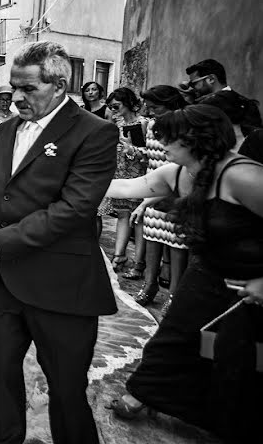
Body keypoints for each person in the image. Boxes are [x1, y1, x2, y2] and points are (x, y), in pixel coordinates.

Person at [0, 41, 119, 444]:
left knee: (66, 390)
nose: (17, 98)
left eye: (29, 89)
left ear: (60, 85)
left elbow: (72, 210)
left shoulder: (96, 133)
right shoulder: (8, 127)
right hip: (2, 283)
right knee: (1, 380)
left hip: (61, 284)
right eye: (13, 87)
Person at [104, 105, 263, 442]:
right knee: (174, 335)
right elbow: (127, 187)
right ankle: (147, 393)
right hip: (207, 270)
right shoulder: (176, 172)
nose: (160, 142)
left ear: (195, 139)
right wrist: (67, 178)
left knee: (238, 355)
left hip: (253, 278)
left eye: (168, 137)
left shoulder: (243, 175)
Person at [128, 85, 187, 308]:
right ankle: (149, 285)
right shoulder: (152, 124)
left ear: (171, 103)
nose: (150, 111)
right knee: (152, 237)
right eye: (149, 107)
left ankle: (173, 296)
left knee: (176, 242)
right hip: (151, 185)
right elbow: (151, 156)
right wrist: (134, 151)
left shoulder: (183, 125)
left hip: (175, 188)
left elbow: (179, 162)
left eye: (155, 107)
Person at [96, 87, 148, 273]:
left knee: (138, 217)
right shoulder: (116, 124)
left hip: (139, 174)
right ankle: (119, 255)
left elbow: (149, 154)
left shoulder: (144, 124)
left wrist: (132, 149)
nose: (113, 109)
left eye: (116, 105)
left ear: (127, 103)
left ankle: (139, 262)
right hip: (119, 172)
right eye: (111, 106)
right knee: (123, 215)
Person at [186, 58, 262, 135]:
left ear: (211, 79)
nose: (191, 88)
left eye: (193, 83)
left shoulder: (206, 105)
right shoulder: (247, 103)